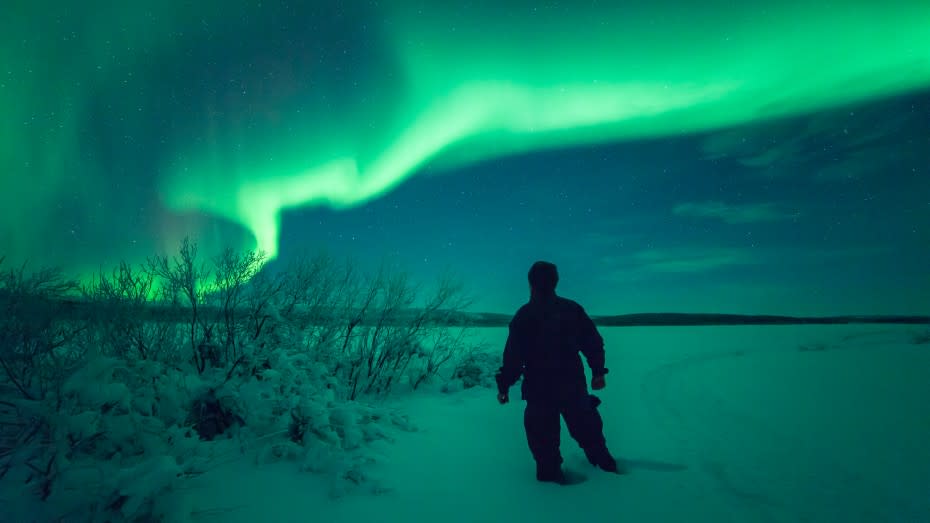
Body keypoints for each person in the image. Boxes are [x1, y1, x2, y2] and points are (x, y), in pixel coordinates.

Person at [495, 261, 621, 484]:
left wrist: (504, 386)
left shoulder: (524, 316)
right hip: (571, 385)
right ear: (556, 282)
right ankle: (605, 468)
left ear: (530, 284)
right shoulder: (571, 309)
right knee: (588, 431)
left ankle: (556, 480)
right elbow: (593, 342)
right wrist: (598, 372)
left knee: (545, 443)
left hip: (540, 390)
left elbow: (513, 358)